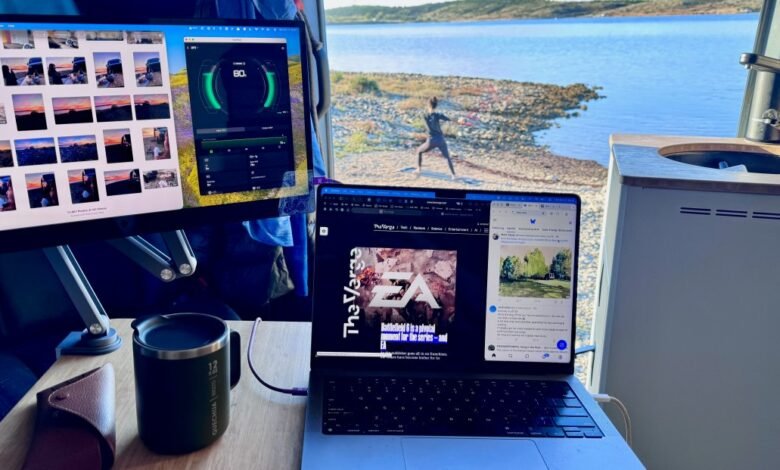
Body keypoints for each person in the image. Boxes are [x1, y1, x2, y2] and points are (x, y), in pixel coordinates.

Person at [416, 96, 456, 179]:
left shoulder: (425, 115)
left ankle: (419, 169)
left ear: (428, 105)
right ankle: (453, 175)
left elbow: (427, 126)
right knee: (447, 158)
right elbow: (448, 119)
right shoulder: (438, 115)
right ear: (436, 106)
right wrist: (457, 121)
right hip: (441, 139)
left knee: (419, 151)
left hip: (431, 140)